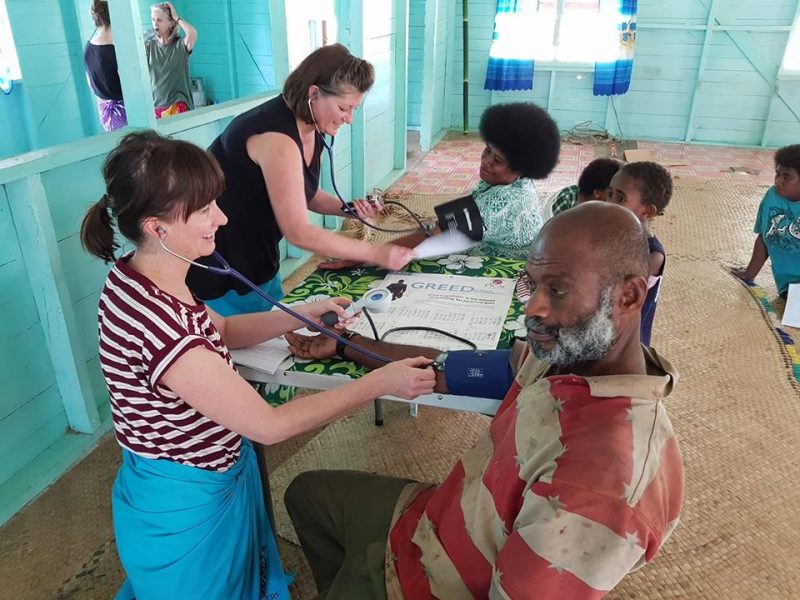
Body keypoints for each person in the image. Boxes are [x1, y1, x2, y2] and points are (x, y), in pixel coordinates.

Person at [79, 131, 435, 600]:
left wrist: (296, 314)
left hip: (191, 471)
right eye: (204, 209)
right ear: (157, 227)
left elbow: (221, 332)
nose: (221, 218)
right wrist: (380, 382)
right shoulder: (163, 327)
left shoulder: (138, 272)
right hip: (187, 499)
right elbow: (268, 426)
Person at [283, 202, 684, 599]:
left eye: (558, 290)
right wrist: (344, 344)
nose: (533, 308)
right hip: (433, 519)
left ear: (629, 296)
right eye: (532, 284)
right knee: (306, 494)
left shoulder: (601, 484)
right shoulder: (566, 359)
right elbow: (442, 367)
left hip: (435, 583)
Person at [187, 44, 415, 316]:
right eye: (344, 107)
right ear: (314, 94)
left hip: (259, 251)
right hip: (223, 260)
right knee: (240, 344)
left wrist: (347, 209)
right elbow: (299, 232)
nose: (349, 119)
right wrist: (377, 253)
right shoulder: (276, 140)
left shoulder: (311, 125)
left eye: (354, 109)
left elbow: (306, 193)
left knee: (272, 328)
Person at [320, 102, 561, 269]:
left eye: (497, 160)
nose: (486, 161)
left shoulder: (500, 204)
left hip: (507, 271)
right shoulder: (519, 180)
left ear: (521, 168)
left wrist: (365, 256)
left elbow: (432, 233)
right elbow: (441, 226)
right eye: (487, 150)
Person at [607, 161, 672, 346]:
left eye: (620, 199)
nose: (609, 203)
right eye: (609, 194)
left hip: (624, 343)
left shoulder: (652, 255)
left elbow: (614, 300)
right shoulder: (610, 234)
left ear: (647, 211)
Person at [737, 144, 800, 297]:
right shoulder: (772, 196)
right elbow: (764, 238)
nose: (779, 181)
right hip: (788, 287)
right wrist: (748, 276)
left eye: (787, 177)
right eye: (777, 174)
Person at [146, 2, 197, 118]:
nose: (155, 24)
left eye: (159, 20)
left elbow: (192, 33)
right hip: (156, 108)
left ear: (170, 23)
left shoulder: (180, 45)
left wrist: (176, 18)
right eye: (153, 20)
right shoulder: (149, 46)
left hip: (178, 106)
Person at [83, 0, 126, 131]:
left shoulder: (88, 48)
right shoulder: (116, 51)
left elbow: (90, 83)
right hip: (124, 114)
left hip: (105, 114)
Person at [548, 157, 621, 217]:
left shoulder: (606, 208)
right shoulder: (566, 199)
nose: (614, 199)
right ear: (597, 193)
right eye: (610, 193)